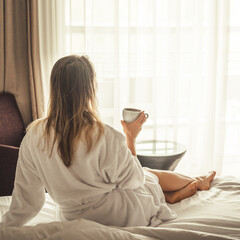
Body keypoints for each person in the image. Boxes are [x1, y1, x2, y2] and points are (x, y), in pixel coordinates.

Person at [0, 55, 216, 228]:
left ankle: (184, 188)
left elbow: (28, 200)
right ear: (89, 90)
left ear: (54, 89)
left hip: (71, 215)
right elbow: (133, 181)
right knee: (148, 176)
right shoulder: (105, 135)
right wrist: (130, 138)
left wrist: (7, 226)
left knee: (145, 177)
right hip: (119, 215)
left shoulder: (34, 136)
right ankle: (194, 182)